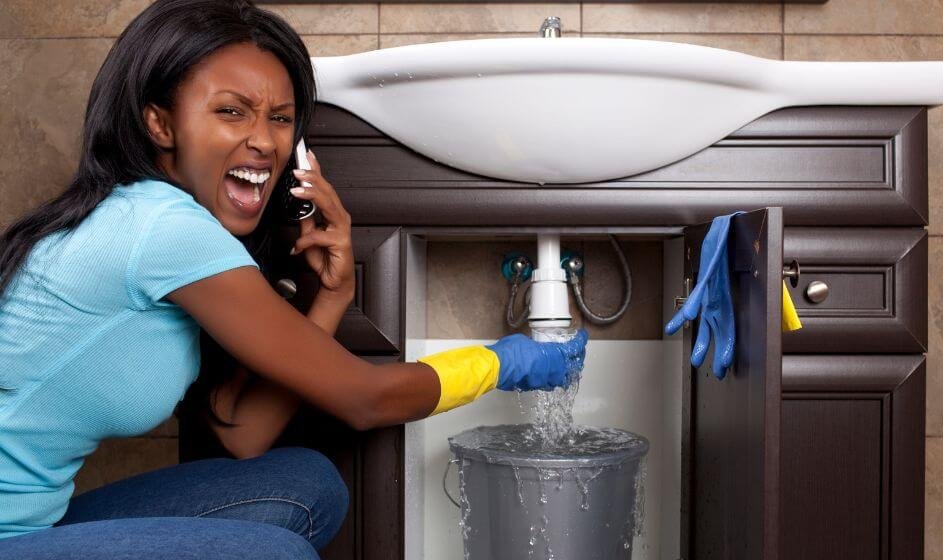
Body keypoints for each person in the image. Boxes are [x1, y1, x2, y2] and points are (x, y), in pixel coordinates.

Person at [0, 1, 589, 558]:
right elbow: (364, 399)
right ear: (159, 123)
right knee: (271, 554)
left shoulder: (148, 218)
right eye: (231, 111)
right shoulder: (163, 229)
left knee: (303, 482)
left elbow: (243, 433)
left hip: (28, 524)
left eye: (280, 119)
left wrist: (329, 295)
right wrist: (506, 363)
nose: (263, 140)